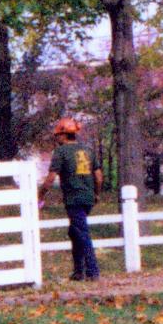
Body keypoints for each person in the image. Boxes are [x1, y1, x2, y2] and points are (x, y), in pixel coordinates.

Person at [38, 117, 104, 281]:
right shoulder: (87, 150)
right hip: (88, 197)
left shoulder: (61, 152)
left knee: (81, 233)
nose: (57, 138)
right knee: (75, 232)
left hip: (73, 198)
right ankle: (78, 271)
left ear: (64, 135)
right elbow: (99, 176)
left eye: (58, 135)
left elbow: (51, 178)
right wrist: (96, 193)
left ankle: (92, 271)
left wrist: (39, 195)